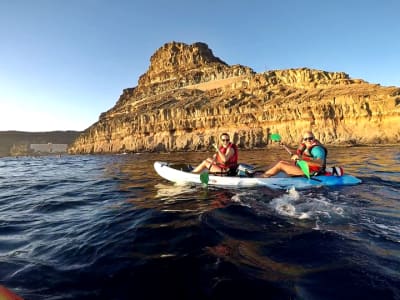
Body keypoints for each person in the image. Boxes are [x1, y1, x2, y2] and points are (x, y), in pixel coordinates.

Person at [261, 131, 327, 177]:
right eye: (306, 139)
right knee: (280, 160)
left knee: (281, 165)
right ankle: (264, 173)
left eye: (310, 138)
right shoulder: (306, 146)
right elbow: (297, 153)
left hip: (312, 172)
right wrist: (285, 146)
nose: (308, 140)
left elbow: (319, 163)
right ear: (303, 140)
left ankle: (263, 177)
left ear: (314, 138)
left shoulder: (317, 149)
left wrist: (300, 158)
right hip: (303, 168)